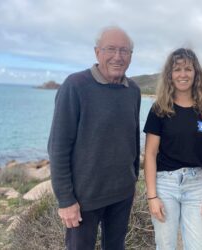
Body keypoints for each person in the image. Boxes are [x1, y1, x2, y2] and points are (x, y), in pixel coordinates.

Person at [48, 26, 140, 250]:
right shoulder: (76, 85)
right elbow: (58, 146)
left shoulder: (133, 90)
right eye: (111, 49)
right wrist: (66, 200)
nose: (118, 57)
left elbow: (133, 138)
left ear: (131, 56)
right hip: (84, 198)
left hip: (122, 193)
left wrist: (133, 177)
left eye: (124, 51)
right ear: (97, 52)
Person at [143, 48, 202, 249]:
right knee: (165, 246)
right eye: (177, 69)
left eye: (188, 69)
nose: (183, 74)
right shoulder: (160, 108)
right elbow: (150, 154)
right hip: (165, 185)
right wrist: (152, 196)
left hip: (195, 186)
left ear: (196, 73)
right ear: (170, 75)